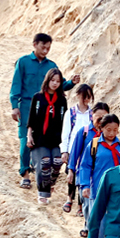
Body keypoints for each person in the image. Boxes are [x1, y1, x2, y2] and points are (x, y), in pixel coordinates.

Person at [9, 33, 79, 189]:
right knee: (25, 140)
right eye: (43, 47)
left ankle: (38, 167)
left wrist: (71, 83)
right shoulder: (24, 62)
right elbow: (16, 85)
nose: (46, 51)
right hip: (27, 106)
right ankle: (25, 174)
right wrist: (14, 106)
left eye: (48, 48)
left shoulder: (51, 66)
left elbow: (59, 84)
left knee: (43, 139)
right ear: (34, 44)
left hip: (47, 108)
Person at [77, 113, 120, 238]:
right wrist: (85, 185)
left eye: (115, 130)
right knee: (99, 220)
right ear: (101, 128)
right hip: (97, 189)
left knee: (112, 221)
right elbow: (85, 166)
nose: (112, 133)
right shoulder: (94, 145)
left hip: (117, 190)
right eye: (108, 129)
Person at [26, 68, 68, 204]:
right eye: (53, 80)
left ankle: (49, 184)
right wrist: (29, 136)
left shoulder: (61, 100)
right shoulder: (38, 98)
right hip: (40, 138)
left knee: (57, 162)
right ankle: (42, 193)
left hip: (56, 139)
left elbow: (65, 121)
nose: (55, 83)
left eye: (58, 81)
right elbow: (31, 118)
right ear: (48, 80)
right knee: (44, 162)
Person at [68, 101, 109, 232]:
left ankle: (96, 230)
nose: (101, 121)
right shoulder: (84, 132)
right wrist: (71, 171)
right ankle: (88, 225)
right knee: (86, 204)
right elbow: (74, 153)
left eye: (105, 118)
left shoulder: (109, 136)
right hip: (85, 175)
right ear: (92, 116)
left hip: (101, 177)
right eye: (99, 118)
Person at [60, 84, 95, 212]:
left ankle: (81, 205)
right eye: (84, 97)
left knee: (84, 176)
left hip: (88, 149)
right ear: (78, 96)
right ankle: (70, 199)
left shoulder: (92, 114)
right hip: (73, 148)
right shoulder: (71, 113)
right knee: (71, 174)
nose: (86, 100)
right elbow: (65, 133)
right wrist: (64, 150)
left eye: (89, 97)